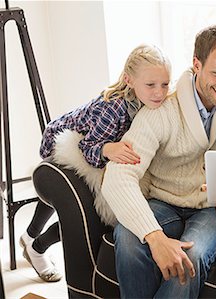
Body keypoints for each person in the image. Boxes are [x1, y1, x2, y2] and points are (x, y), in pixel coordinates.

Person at [101, 23, 216, 298]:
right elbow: (117, 178)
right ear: (196, 64)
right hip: (163, 202)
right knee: (128, 238)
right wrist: (155, 237)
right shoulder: (161, 110)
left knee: (192, 256)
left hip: (214, 208)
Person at [20, 44, 172, 282]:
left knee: (65, 201)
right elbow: (87, 148)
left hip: (95, 138)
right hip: (71, 140)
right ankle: (36, 245)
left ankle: (30, 236)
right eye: (151, 85)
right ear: (129, 81)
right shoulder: (114, 108)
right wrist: (107, 148)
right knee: (83, 208)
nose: (159, 92)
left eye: (165, 84)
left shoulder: (155, 100)